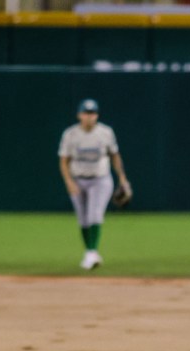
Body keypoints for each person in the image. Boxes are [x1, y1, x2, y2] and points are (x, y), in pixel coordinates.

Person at [58, 98, 132, 270]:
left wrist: (122, 178)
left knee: (94, 215)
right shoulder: (71, 134)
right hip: (78, 179)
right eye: (86, 113)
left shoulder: (105, 132)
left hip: (100, 179)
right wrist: (69, 181)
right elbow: (63, 161)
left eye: (92, 113)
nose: (89, 116)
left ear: (97, 115)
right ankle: (89, 252)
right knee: (83, 220)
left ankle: (92, 252)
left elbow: (115, 155)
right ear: (79, 115)